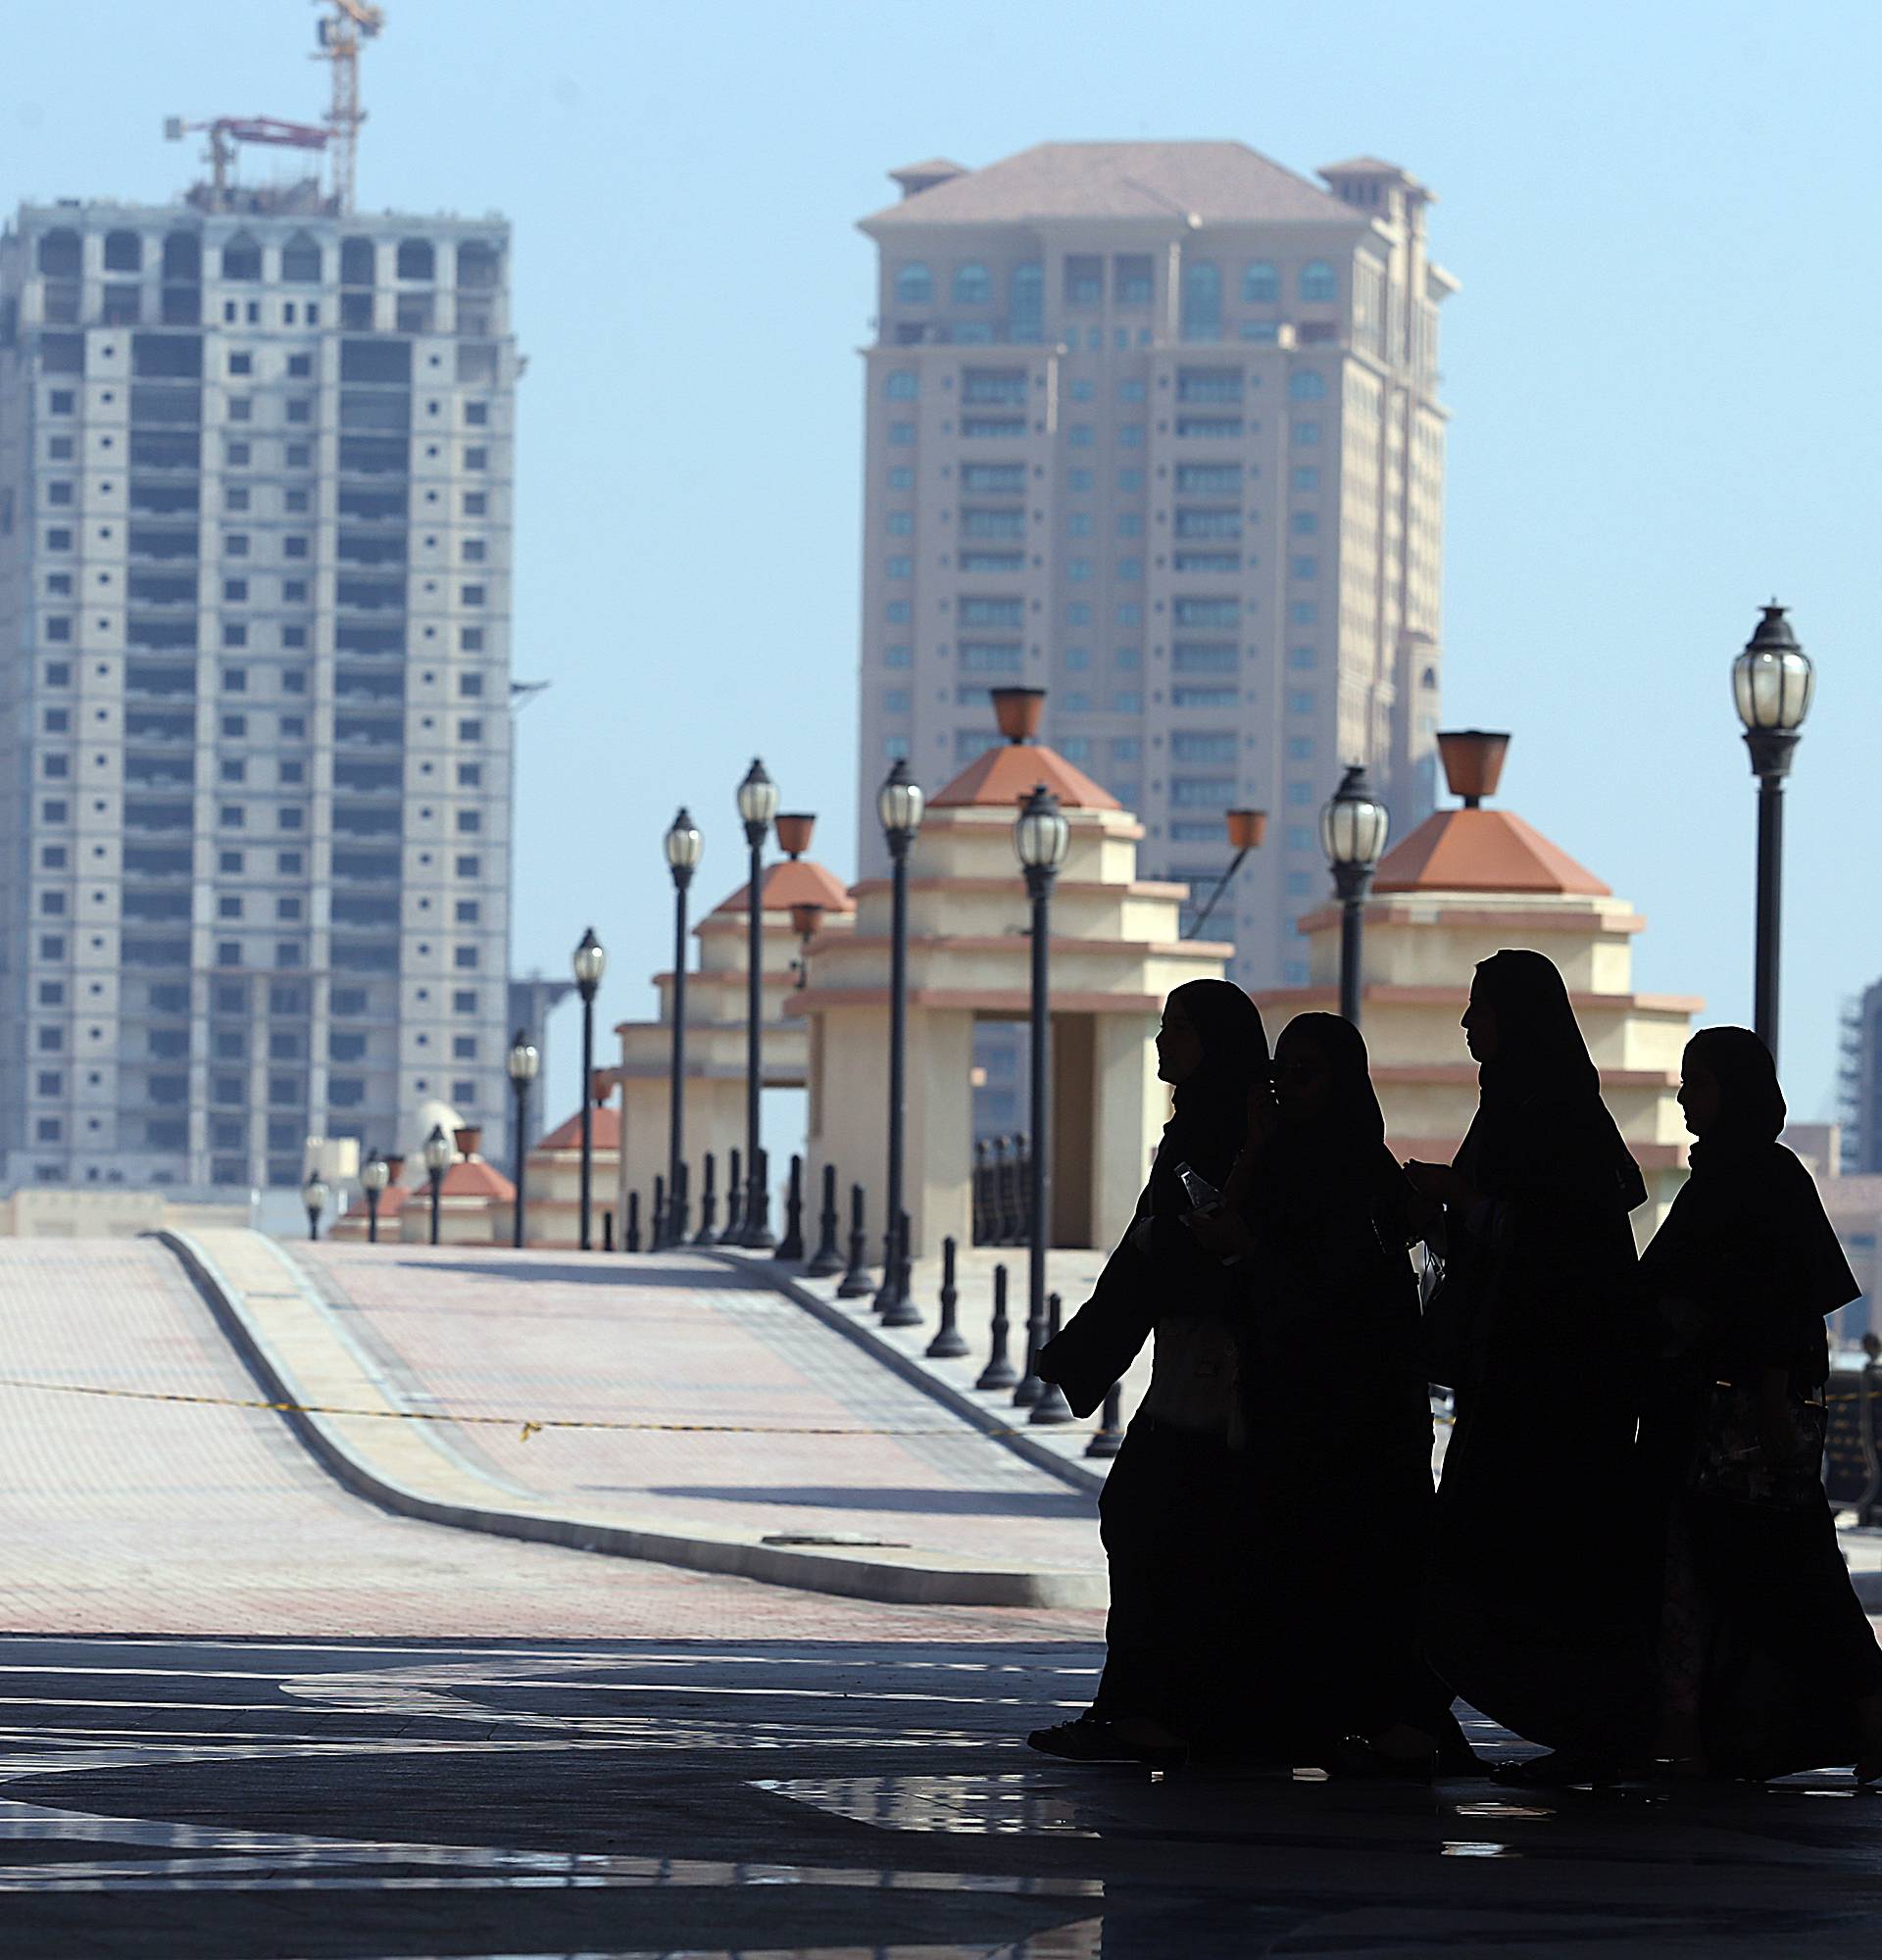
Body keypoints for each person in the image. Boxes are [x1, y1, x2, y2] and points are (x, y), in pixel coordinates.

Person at [1191, 1012, 1477, 1774]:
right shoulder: (1280, 1159)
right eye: (1280, 1071)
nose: (1287, 1086)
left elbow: (1336, 1273)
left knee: (1366, 1561)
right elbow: (1236, 1228)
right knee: (1289, 1554)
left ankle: (1380, 1719)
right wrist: (1254, 1147)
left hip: (1362, 1403)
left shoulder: (1362, 1164)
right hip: (1293, 1394)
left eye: (1306, 1073)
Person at [1407, 949, 1654, 1784]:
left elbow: (1561, 1246)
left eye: (1482, 1008)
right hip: (1516, 1378)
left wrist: (1465, 1202)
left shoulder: (1551, 1118)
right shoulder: (1520, 1109)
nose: (1469, 1024)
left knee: (1528, 1554)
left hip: (1552, 1388)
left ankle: (1584, 1728)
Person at [1028, 978, 1270, 1767]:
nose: (1163, 1045)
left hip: (1218, 1383)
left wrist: (1086, 1348)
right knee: (1150, 1526)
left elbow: (1193, 1255)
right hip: (1189, 1377)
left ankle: (1153, 1712)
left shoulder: (1237, 1136)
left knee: (1151, 1525)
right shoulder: (1202, 1128)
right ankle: (1153, 1709)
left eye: (1179, 1031)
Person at [1638, 1025, 1882, 1782]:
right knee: (1763, 1573)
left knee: (1786, 1575)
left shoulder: (1753, 1177)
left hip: (1742, 1424)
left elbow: (1775, 1303)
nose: (1683, 1095)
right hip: (1723, 1418)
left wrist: (1771, 1403)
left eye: (1699, 1082)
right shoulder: (1736, 1174)